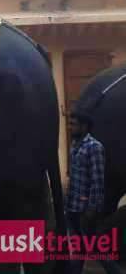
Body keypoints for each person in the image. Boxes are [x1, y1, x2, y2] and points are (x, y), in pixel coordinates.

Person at [66, 114, 121, 274]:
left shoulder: (94, 147)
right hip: (73, 207)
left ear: (85, 126)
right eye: (69, 124)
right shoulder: (75, 144)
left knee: (97, 249)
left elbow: (97, 181)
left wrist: (91, 209)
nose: (70, 127)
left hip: (85, 210)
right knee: (79, 249)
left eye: (73, 124)